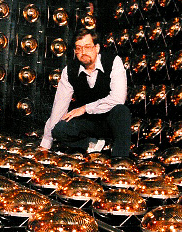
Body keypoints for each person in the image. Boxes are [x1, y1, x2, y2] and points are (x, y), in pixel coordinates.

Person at [40, 26, 132, 159]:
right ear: (74, 51)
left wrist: (85, 108)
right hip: (88, 124)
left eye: (88, 47)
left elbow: (118, 98)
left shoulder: (113, 62)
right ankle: (93, 145)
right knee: (59, 129)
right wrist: (46, 143)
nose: (83, 52)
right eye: (78, 48)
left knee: (121, 111)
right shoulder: (69, 71)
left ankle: (119, 161)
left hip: (109, 121)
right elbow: (59, 107)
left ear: (97, 48)